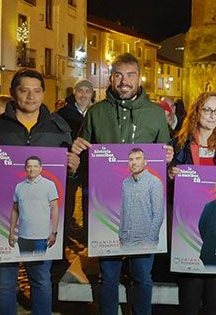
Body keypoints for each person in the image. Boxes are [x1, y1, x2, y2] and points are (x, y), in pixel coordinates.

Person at [70, 53, 171, 315]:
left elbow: (164, 160)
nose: (124, 81)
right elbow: (82, 158)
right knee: (108, 275)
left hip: (142, 211)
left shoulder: (155, 114)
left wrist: (168, 157)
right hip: (105, 208)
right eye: (118, 75)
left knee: (142, 276)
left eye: (130, 75)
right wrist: (77, 151)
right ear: (111, 77)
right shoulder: (96, 112)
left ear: (139, 78)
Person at [57, 79, 94, 236]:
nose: (83, 95)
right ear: (74, 93)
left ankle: (88, 233)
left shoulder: (97, 112)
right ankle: (64, 231)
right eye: (80, 91)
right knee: (67, 199)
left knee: (89, 199)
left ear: (92, 94)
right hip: (70, 162)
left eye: (87, 91)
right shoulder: (63, 113)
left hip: (91, 163)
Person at [9, 155, 60, 260]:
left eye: (35, 166)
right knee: (27, 266)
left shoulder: (49, 185)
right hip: (23, 236)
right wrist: (11, 232)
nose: (32, 169)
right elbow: (15, 210)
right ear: (25, 168)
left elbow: (54, 209)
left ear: (41, 168)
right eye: (29, 166)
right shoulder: (19, 186)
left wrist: (54, 233)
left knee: (41, 270)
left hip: (42, 237)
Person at [118, 148, 164, 250]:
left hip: (144, 242)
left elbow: (159, 214)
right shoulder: (125, 182)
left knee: (141, 267)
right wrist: (121, 234)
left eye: (138, 158)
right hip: (125, 240)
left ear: (145, 162)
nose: (134, 162)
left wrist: (149, 240)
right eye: (131, 159)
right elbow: (123, 210)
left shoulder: (154, 182)